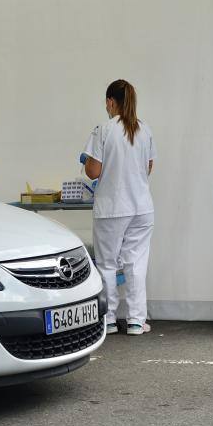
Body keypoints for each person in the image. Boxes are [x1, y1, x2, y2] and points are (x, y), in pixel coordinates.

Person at [83, 79, 156, 336]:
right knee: (136, 263)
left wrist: (86, 161)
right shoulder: (144, 129)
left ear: (111, 102)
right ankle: (137, 320)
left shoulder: (103, 129)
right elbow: (148, 167)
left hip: (112, 207)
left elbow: (93, 171)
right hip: (142, 207)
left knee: (107, 264)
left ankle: (109, 320)